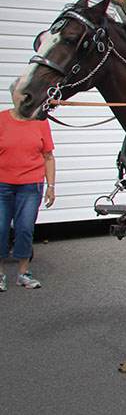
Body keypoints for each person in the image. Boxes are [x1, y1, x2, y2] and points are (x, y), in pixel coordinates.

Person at [1, 101, 55, 291]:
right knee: (0, 228)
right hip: (2, 185)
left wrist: (51, 186)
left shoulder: (40, 121)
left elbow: (48, 156)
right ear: (14, 97)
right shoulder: (1, 119)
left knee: (24, 228)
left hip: (31, 186)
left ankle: (23, 274)